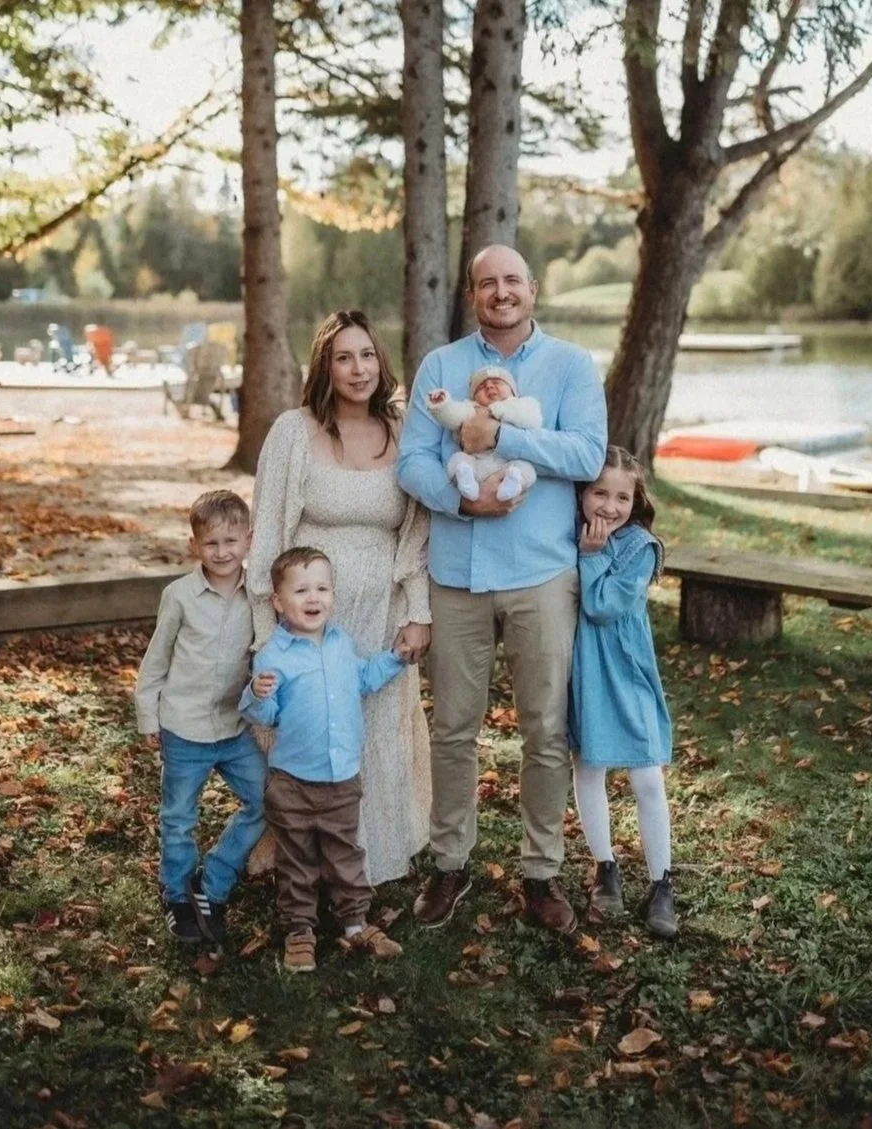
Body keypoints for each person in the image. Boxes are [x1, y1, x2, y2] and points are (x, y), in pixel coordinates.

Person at [397, 244, 607, 935]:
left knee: (545, 729)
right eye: (487, 282)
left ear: (533, 289)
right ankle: (449, 862)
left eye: (512, 279)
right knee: (453, 727)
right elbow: (412, 462)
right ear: (472, 294)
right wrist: (463, 502)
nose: (501, 292)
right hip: (457, 575)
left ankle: (541, 872)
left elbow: (587, 453)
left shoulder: (571, 366)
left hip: (541, 575)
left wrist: (503, 438)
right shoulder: (440, 366)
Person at [247, 310, 431, 886]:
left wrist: (419, 611)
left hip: (382, 612)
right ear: (324, 367)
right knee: (311, 732)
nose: (358, 369)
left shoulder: (405, 431)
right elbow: (268, 534)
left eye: (368, 355)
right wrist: (265, 635)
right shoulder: (293, 431)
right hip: (307, 615)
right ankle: (309, 863)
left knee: (377, 729)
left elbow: (418, 534)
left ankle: (375, 857)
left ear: (382, 361)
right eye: (344, 357)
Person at [240, 547, 409, 972]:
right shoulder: (272, 656)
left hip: (342, 778)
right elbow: (266, 716)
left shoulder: (341, 644)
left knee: (344, 854)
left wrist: (395, 658)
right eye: (301, 591)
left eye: (322, 588)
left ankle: (354, 923)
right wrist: (256, 695)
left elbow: (364, 679)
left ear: (333, 594)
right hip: (292, 782)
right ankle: (299, 931)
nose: (313, 597)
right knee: (296, 860)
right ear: (278, 602)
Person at [135, 490, 272, 948]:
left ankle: (212, 878)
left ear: (249, 541)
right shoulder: (179, 596)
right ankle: (177, 896)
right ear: (194, 545)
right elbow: (156, 660)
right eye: (211, 543)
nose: (222, 552)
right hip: (185, 728)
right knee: (178, 817)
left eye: (231, 541)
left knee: (267, 800)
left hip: (234, 728)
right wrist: (149, 717)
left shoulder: (258, 596)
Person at [569, 446, 677, 940]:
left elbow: (603, 606)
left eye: (622, 497)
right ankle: (605, 867)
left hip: (626, 669)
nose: (609, 507)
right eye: (599, 493)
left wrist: (591, 558)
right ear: (582, 493)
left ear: (637, 501)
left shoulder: (640, 547)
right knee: (588, 764)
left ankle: (661, 882)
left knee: (646, 776)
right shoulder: (571, 535)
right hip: (585, 668)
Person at [426, 364, 542, 502]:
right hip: (477, 464)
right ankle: (465, 479)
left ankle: (513, 482)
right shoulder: (472, 409)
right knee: (457, 460)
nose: (489, 387)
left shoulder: (521, 404)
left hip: (510, 463)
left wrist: (502, 410)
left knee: (528, 470)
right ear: (474, 398)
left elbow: (534, 419)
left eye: (497, 382)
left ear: (512, 391)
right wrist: (442, 405)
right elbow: (453, 416)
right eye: (481, 387)